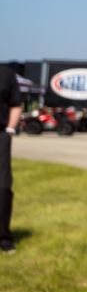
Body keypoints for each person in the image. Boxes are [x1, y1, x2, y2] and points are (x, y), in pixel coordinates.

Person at [1, 67, 22, 254]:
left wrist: (9, 130)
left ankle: (4, 237)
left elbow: (16, 104)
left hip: (1, 136)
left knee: (3, 187)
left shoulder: (6, 74)